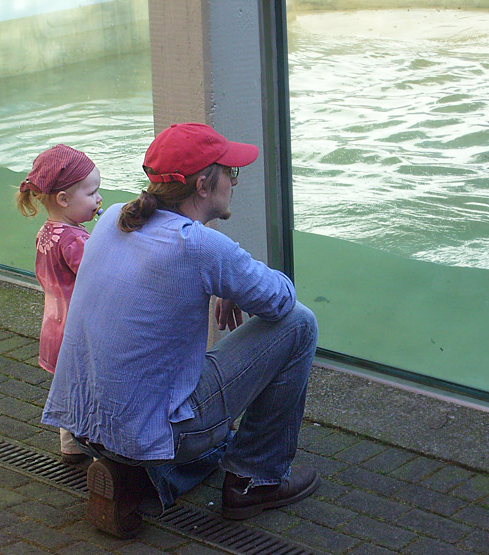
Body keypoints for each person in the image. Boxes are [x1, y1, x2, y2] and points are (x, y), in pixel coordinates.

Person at [41, 122, 319, 539]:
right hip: (150, 428)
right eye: (232, 173)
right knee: (301, 323)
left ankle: (133, 479)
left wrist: (228, 280)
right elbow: (281, 301)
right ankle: (253, 479)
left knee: (179, 402)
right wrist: (233, 279)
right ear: (205, 185)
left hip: (84, 430)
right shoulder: (201, 247)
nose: (235, 182)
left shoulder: (114, 216)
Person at [16, 144, 103, 465]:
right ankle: (101, 457)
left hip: (54, 328)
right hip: (79, 332)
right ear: (64, 199)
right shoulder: (76, 240)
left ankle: (70, 447)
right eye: (92, 192)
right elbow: (100, 276)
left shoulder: (48, 231)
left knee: (68, 390)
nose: (99, 199)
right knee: (92, 393)